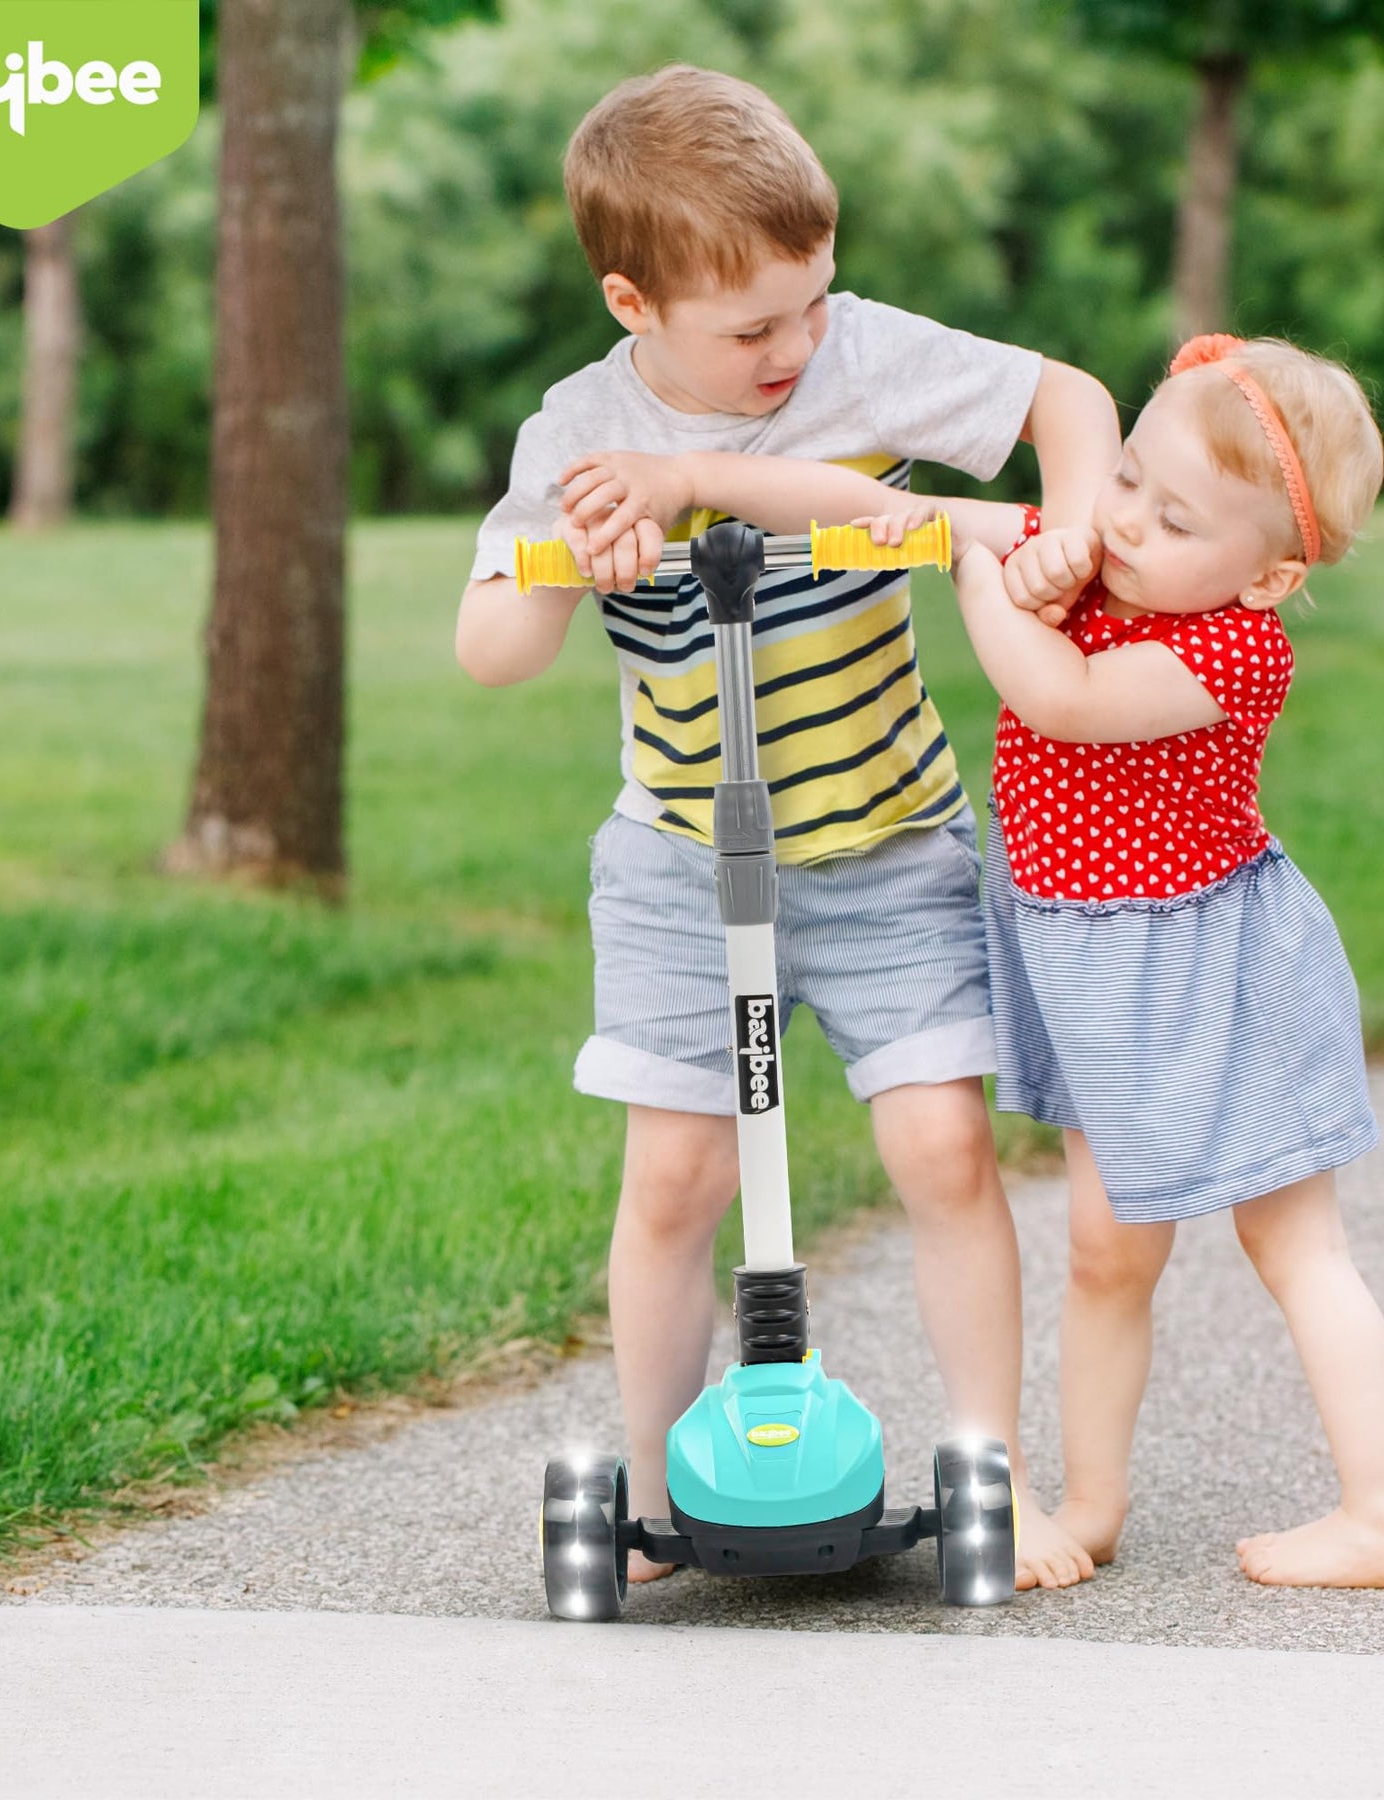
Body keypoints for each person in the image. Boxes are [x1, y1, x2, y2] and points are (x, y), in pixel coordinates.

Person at [456, 63, 1120, 1589]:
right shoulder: (581, 431)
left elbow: (1066, 400)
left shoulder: (863, 358)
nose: (796, 347)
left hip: (891, 841)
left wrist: (1074, 529)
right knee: (674, 1181)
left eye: (811, 303)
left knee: (943, 1147)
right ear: (633, 302)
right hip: (680, 864)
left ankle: (993, 1474)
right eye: (753, 329)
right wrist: (565, 563)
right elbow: (488, 646)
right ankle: (656, 1497)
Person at [861, 333, 1384, 1587]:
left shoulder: (1235, 649)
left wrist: (982, 579)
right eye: (1125, 476)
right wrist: (715, 483)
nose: (1124, 520)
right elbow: (938, 517)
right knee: (1108, 1252)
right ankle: (1093, 1505)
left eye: (1174, 519)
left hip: (1215, 967)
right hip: (1097, 981)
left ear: (1270, 575)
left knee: (1294, 1244)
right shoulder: (1105, 562)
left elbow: (1060, 700)